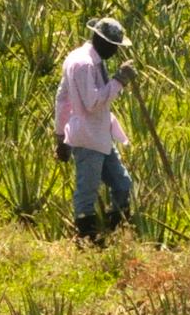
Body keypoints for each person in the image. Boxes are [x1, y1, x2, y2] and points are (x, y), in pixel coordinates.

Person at [53, 16, 135, 240]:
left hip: (100, 134)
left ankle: (115, 232)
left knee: (122, 183)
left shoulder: (80, 58)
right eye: (114, 47)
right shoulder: (85, 64)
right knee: (87, 192)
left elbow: (62, 99)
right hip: (88, 137)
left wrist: (60, 135)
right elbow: (92, 103)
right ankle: (88, 241)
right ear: (102, 41)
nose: (115, 52)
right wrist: (119, 81)